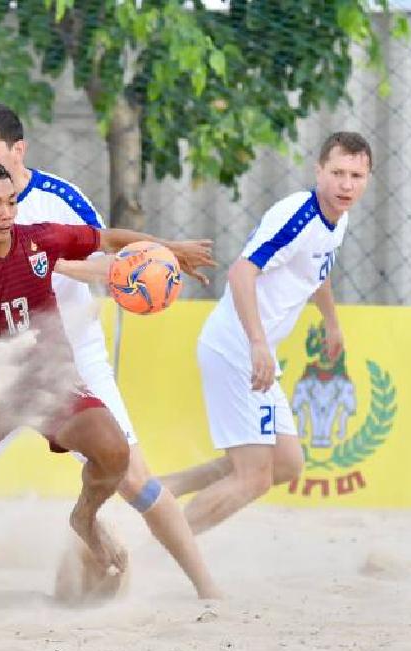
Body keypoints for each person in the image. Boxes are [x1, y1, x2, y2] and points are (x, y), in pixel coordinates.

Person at [0, 158, 219, 598]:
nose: (7, 213)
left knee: (115, 453)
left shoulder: (40, 239)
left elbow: (108, 239)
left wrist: (168, 249)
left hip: (51, 383)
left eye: (11, 202)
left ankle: (85, 517)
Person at [162, 132, 373, 534]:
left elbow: (317, 273)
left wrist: (331, 322)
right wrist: (258, 344)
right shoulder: (298, 216)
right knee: (254, 476)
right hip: (237, 349)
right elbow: (242, 271)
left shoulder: (337, 218)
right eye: (338, 173)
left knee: (286, 463)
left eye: (357, 175)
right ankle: (159, 546)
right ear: (319, 171)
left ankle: (159, 491)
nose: (347, 184)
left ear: (367, 178)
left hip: (254, 353)